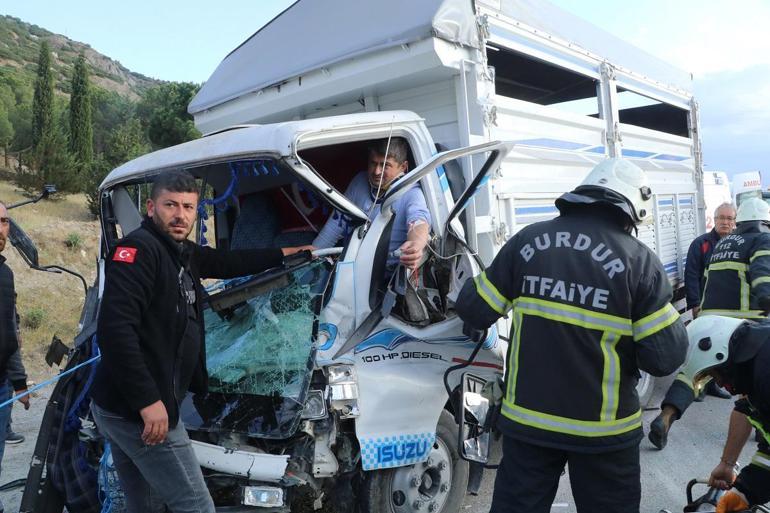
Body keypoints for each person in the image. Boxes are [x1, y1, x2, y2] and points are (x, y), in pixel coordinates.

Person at [455, 158, 688, 513]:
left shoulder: (527, 242)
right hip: (604, 434)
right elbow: (665, 358)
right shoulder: (639, 261)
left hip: (528, 424)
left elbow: (473, 309)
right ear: (631, 212)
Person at [90, 170, 310, 513]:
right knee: (195, 505)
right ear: (151, 207)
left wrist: (286, 253)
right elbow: (115, 332)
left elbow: (226, 262)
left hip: (119, 407)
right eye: (171, 205)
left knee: (145, 505)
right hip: (138, 410)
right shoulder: (137, 251)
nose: (180, 215)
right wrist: (148, 401)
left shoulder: (179, 251)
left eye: (189, 208)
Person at [649, 197, 770, 450]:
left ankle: (665, 417)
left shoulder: (722, 244)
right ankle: (761, 434)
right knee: (753, 387)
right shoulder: (762, 240)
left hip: (707, 324)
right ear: (763, 223)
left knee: (691, 376)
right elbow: (763, 282)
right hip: (744, 329)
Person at [648, 203, 737, 449]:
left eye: (730, 218)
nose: (726, 222)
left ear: (736, 220)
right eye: (721, 218)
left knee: (711, 356)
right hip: (710, 310)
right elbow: (692, 274)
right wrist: (695, 304)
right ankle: (701, 387)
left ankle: (705, 388)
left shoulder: (738, 243)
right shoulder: (702, 244)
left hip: (727, 314)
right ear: (715, 219)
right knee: (708, 352)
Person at [680, 315, 770, 512]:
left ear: (723, 357)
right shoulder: (756, 364)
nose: (719, 384)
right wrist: (745, 492)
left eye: (715, 374)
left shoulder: (765, 374)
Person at [312, 137, 431, 272]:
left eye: (385, 165)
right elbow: (333, 229)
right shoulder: (359, 181)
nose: (376, 171)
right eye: (373, 163)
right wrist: (312, 252)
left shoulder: (411, 193)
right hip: (347, 271)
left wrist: (416, 245)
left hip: (382, 281)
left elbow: (419, 221)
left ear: (403, 167)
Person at [0, 202, 31, 513]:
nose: (0, 229)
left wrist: (19, 382)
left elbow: (8, 333)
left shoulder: (5, 275)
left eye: (4, 221)